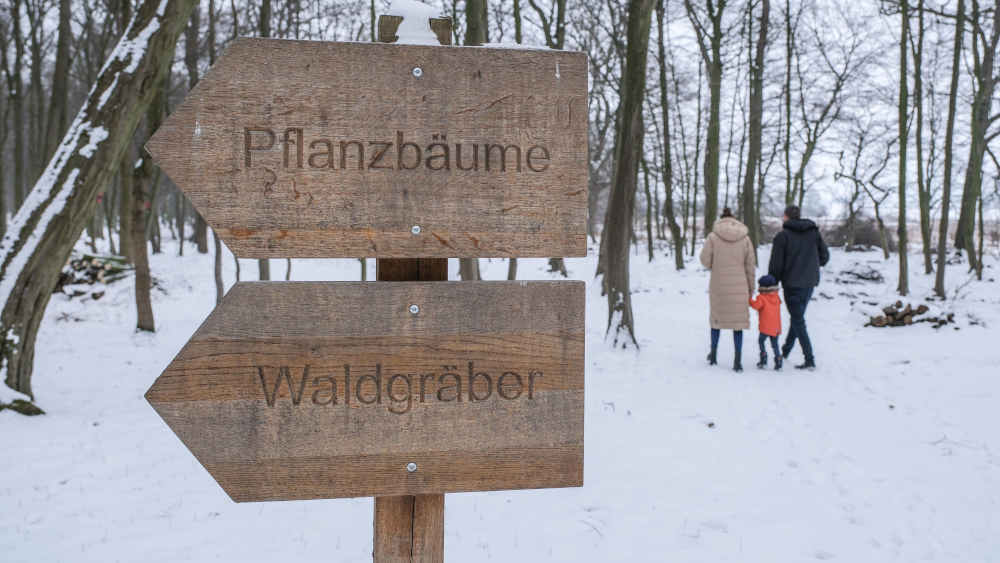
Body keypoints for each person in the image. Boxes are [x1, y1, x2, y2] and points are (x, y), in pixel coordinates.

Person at [767, 205, 830, 370]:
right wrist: (813, 266)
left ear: (786, 217)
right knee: (798, 316)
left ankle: (809, 359)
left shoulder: (782, 236)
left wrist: (772, 283)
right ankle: (785, 351)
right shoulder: (813, 233)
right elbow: (825, 256)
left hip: (792, 283)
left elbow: (776, 264)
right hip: (809, 283)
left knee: (798, 319)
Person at [700, 208, 756, 372]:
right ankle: (737, 360)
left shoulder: (712, 237)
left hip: (719, 286)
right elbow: (750, 266)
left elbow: (704, 260)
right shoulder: (745, 239)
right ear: (734, 219)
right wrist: (751, 288)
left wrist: (714, 265)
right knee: (738, 324)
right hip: (740, 287)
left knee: (716, 321)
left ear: (720, 219)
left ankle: (714, 356)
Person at [750, 274, 782, 370]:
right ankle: (778, 360)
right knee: (775, 344)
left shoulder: (762, 298)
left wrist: (749, 300)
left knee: (761, 341)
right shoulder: (776, 297)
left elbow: (756, 306)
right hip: (776, 327)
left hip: (765, 327)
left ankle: (763, 358)